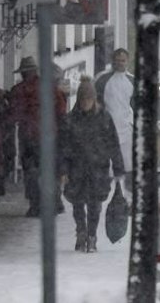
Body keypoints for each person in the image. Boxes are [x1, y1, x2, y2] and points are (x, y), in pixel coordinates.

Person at [60, 79, 122, 252]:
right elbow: (64, 147)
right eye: (83, 99)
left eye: (88, 99)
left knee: (94, 205)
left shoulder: (104, 118)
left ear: (94, 99)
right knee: (77, 204)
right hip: (77, 168)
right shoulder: (70, 120)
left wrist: (117, 167)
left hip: (98, 168)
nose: (86, 103)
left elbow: (113, 143)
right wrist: (63, 170)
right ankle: (81, 231)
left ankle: (92, 236)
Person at [7, 56, 64, 215]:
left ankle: (36, 205)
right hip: (50, 136)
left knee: (32, 172)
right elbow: (61, 110)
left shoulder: (18, 90)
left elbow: (14, 115)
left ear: (24, 73)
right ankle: (55, 203)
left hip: (29, 137)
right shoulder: (50, 87)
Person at [94, 48, 136, 175]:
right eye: (117, 60)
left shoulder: (132, 81)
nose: (120, 63)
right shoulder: (102, 79)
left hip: (126, 128)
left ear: (127, 61)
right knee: (109, 168)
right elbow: (96, 103)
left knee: (127, 165)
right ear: (113, 61)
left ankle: (124, 191)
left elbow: (136, 104)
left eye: (123, 60)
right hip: (106, 129)